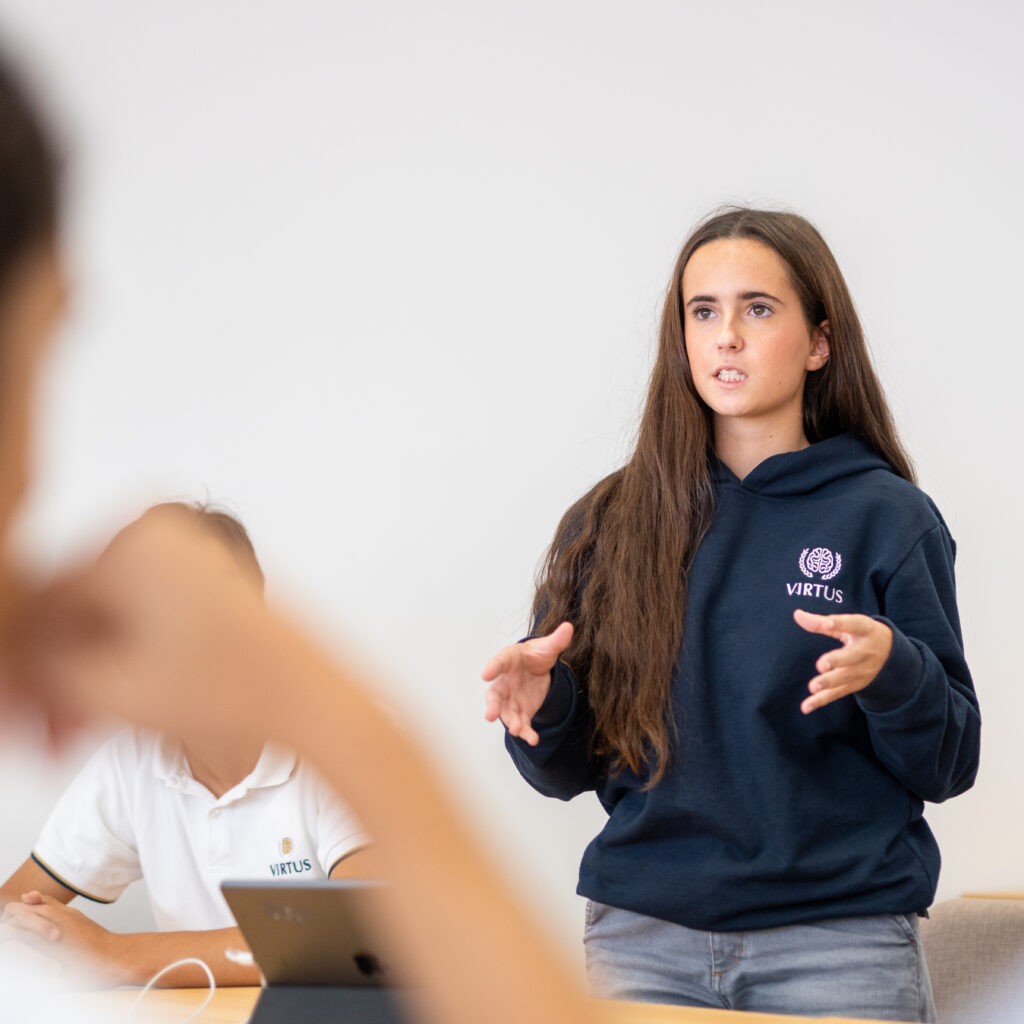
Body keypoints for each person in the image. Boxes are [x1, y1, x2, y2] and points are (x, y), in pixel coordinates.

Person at [0, 45, 588, 1024]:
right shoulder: (134, 764)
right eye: (48, 336)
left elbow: (362, 945)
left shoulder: (292, 762)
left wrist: (109, 947)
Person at [482, 207, 981, 1022]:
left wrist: (895, 673)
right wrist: (545, 707)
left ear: (820, 342)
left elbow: (950, 762)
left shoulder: (887, 519)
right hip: (641, 943)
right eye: (703, 312)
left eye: (758, 308)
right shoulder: (612, 521)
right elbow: (566, 770)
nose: (727, 337)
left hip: (837, 947)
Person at [1, 502, 377, 987]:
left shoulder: (338, 734)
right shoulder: (131, 761)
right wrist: (34, 934)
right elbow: (14, 905)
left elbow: (351, 936)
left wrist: (114, 952)